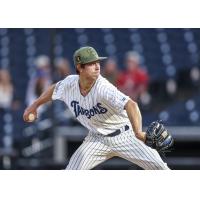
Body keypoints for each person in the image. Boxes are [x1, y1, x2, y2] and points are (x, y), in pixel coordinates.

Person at [23, 46, 169, 170]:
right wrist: (35, 105)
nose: (97, 66)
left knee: (161, 169)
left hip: (125, 135)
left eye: (98, 62)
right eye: (91, 63)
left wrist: (138, 132)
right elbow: (54, 89)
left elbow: (131, 105)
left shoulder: (103, 87)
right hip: (96, 139)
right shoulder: (69, 83)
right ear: (79, 67)